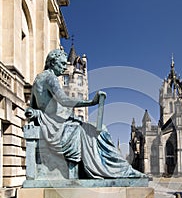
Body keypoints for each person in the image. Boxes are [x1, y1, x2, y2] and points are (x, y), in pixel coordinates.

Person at [26, 49, 145, 179]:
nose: (64, 67)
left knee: (97, 130)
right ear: (52, 63)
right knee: (100, 132)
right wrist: (91, 102)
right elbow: (64, 100)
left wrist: (34, 115)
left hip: (54, 122)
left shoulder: (38, 79)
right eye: (61, 64)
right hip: (55, 125)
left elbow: (31, 106)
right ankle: (121, 170)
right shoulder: (50, 78)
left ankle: (122, 169)